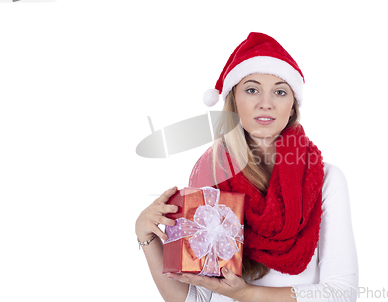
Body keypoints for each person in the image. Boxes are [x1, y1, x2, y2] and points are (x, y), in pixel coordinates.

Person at [135, 32, 359, 302]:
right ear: (233, 102)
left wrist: (246, 293)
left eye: (279, 91)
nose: (266, 102)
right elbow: (198, 298)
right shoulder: (210, 175)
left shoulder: (326, 180)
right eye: (252, 89)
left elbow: (341, 294)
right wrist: (146, 237)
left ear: (291, 108)